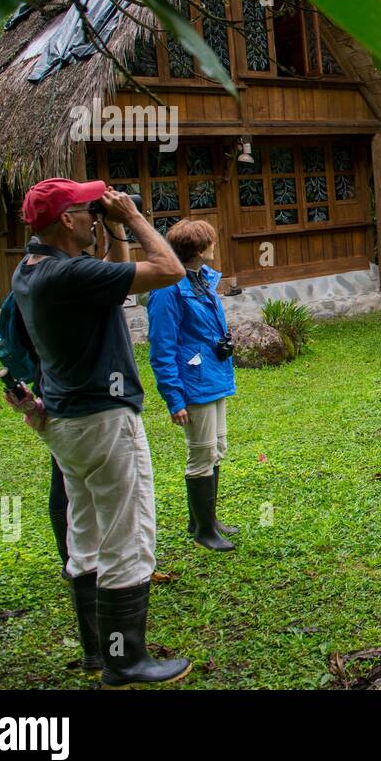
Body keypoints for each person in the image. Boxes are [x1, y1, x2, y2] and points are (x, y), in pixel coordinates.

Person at [9, 177, 189, 688]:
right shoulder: (68, 275)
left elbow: (114, 284)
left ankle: (96, 651)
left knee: (85, 536)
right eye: (89, 209)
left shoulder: (32, 271)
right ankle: (125, 661)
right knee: (126, 537)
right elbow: (169, 270)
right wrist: (132, 218)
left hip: (66, 424)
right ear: (66, 220)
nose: (97, 215)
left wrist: (115, 230)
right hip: (104, 422)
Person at [146, 220, 239, 552]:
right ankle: (203, 531)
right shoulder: (167, 289)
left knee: (218, 447)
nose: (215, 245)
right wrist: (174, 397)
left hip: (214, 377)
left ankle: (205, 519)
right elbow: (161, 348)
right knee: (201, 454)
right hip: (194, 381)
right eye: (211, 241)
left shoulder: (202, 280)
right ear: (200, 249)